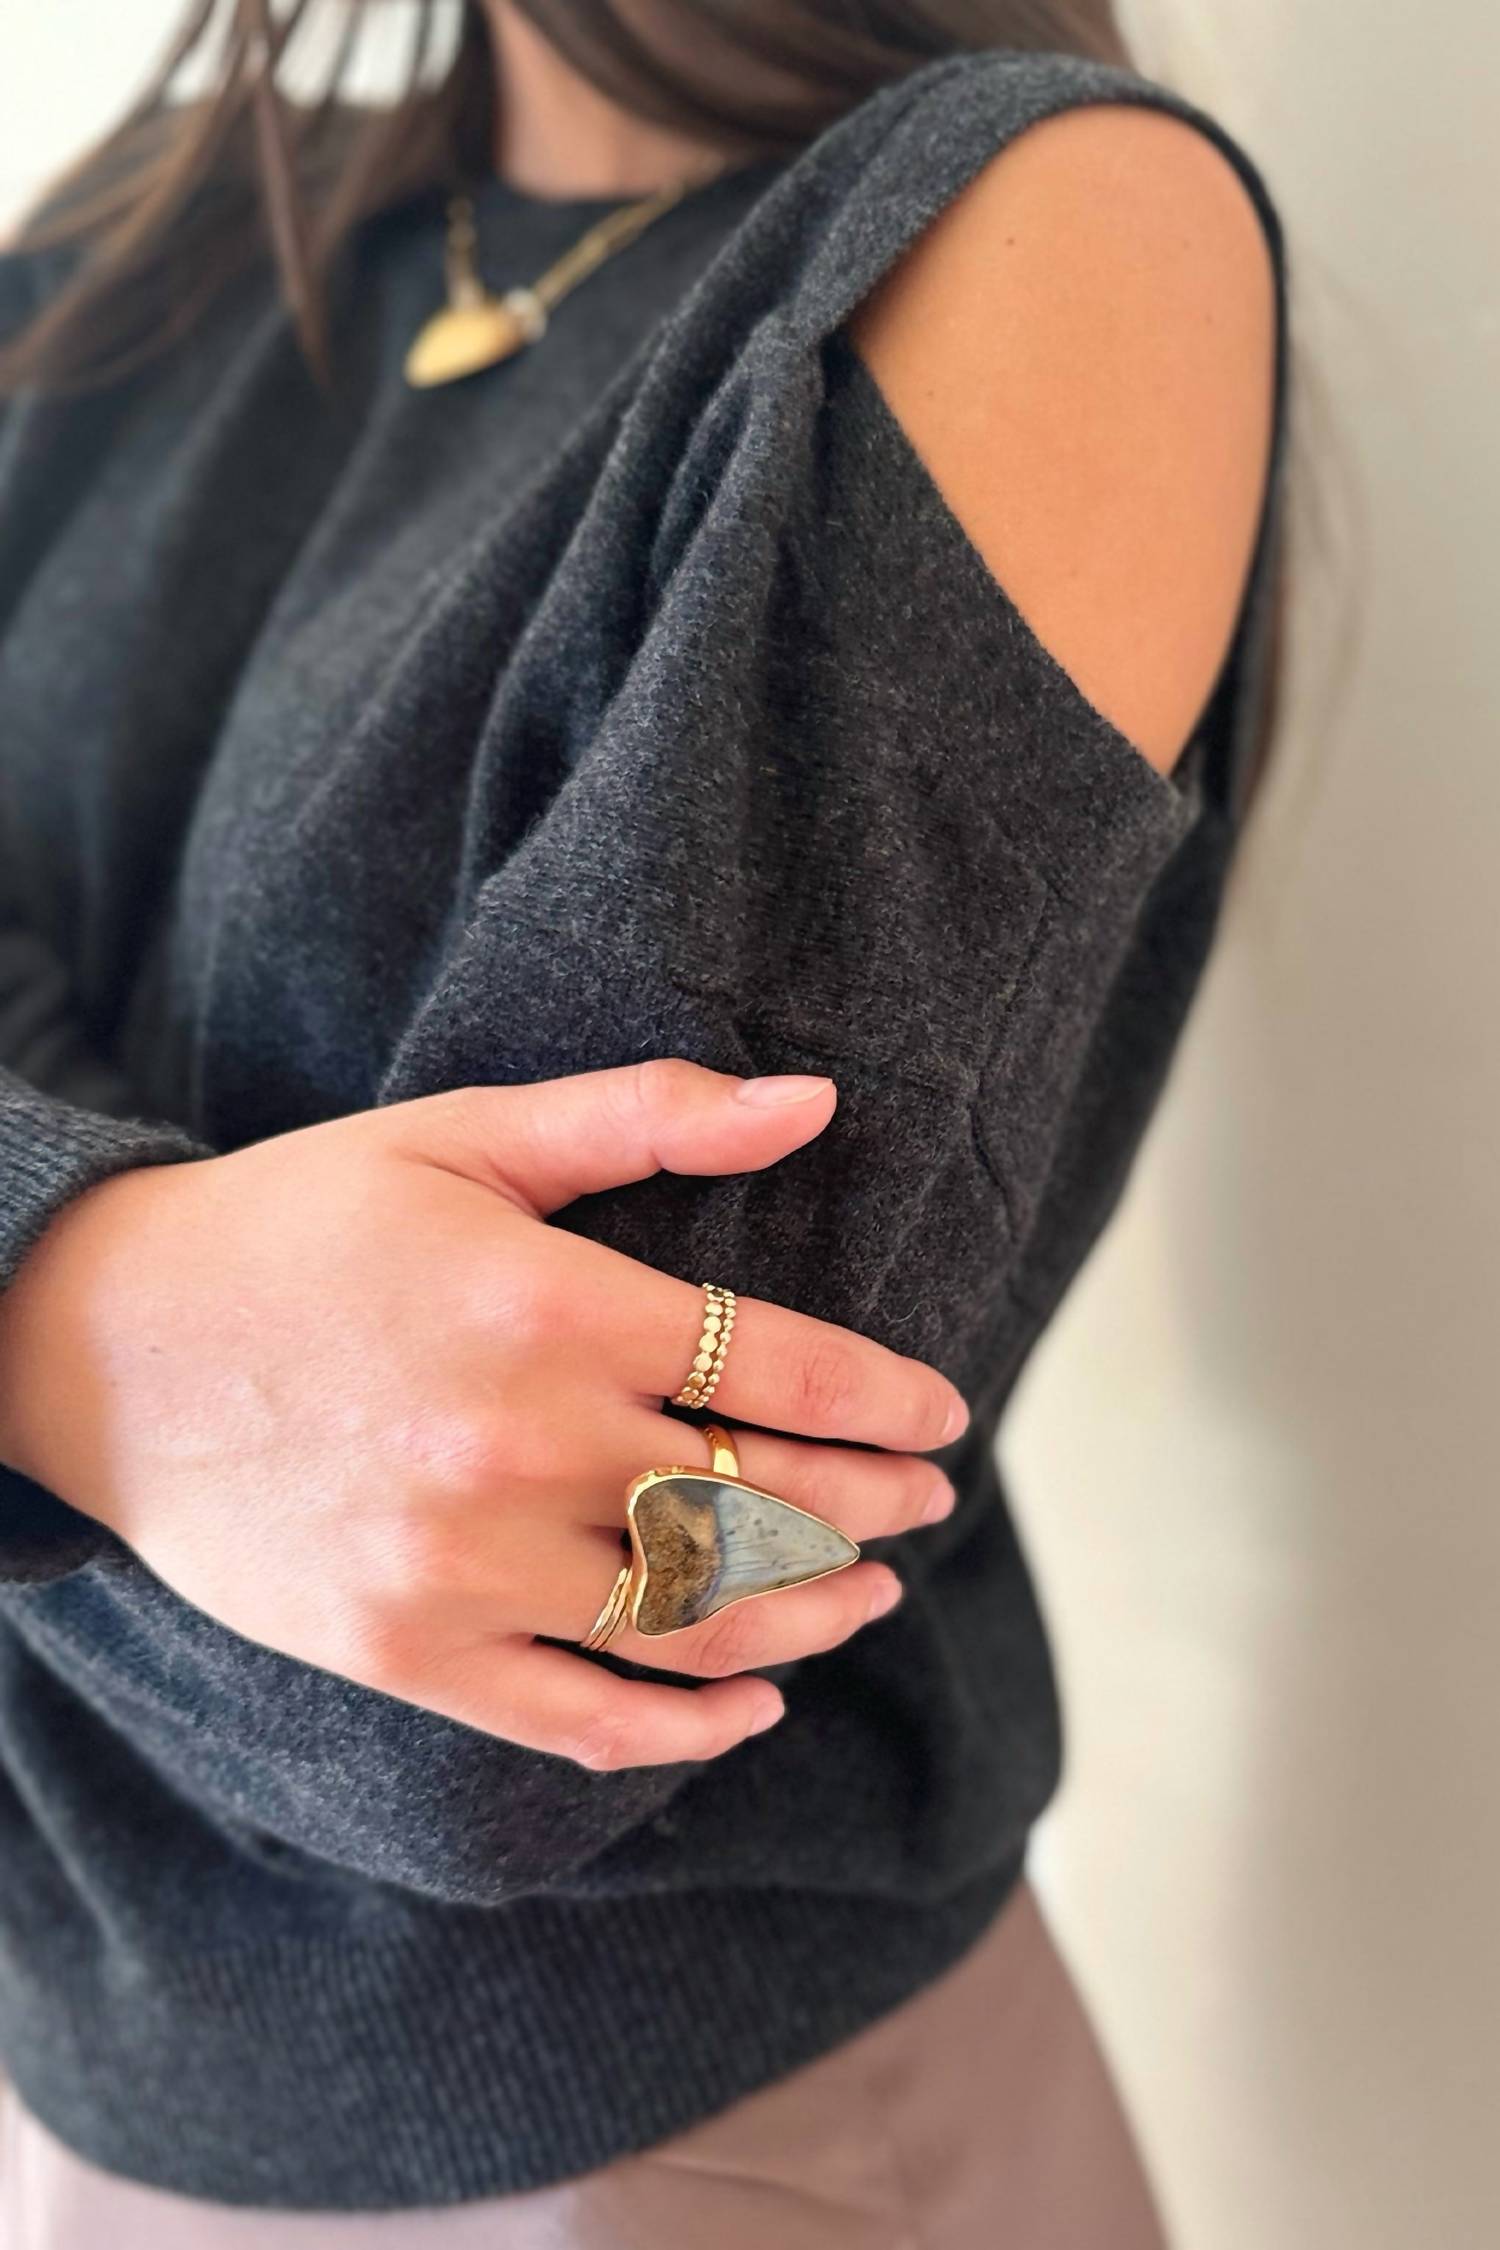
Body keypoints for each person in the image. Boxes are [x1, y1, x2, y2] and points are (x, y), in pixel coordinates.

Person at [0, 2, 1289, 2242]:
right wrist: (103, 1308)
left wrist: (73, 1318)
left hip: (695, 2159)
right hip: (76, 2111)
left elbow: (521, 1682)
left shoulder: (1041, 228)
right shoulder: (128, 252)